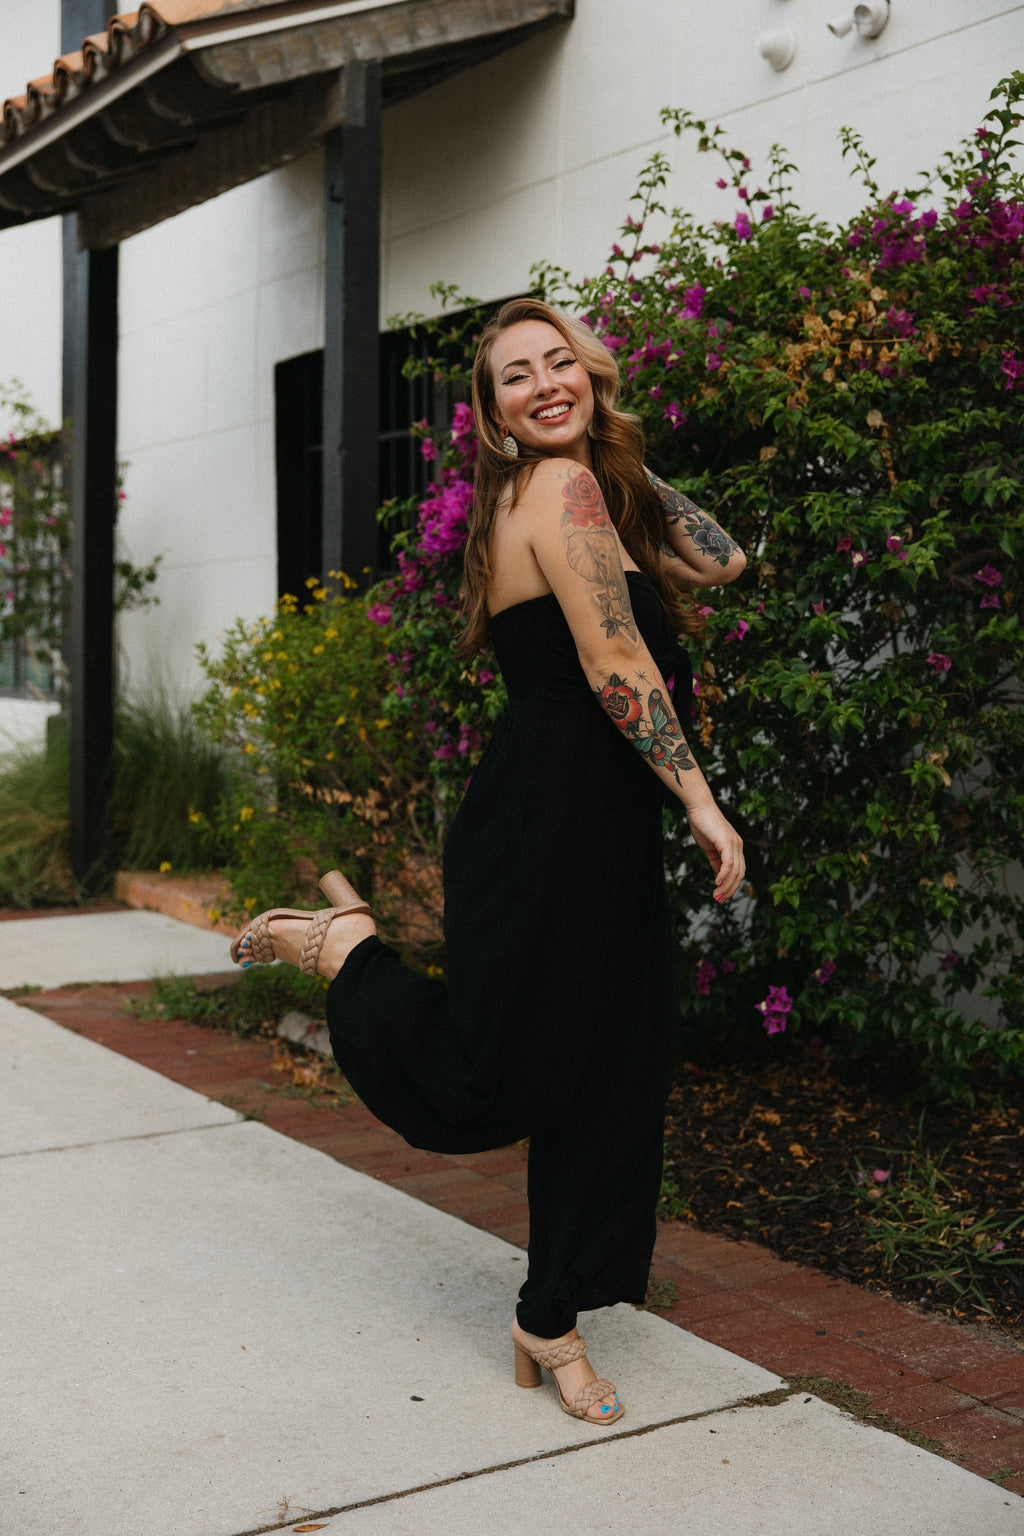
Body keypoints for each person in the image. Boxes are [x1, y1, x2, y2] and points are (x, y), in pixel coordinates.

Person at [231, 297, 746, 1426]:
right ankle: (349, 952)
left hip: (600, 819)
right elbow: (615, 659)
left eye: (562, 363)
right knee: (500, 1078)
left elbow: (721, 559)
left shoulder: (588, 486)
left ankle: (547, 1316)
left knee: (611, 1076)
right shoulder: (554, 491)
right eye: (518, 376)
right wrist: (703, 802)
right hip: (548, 818)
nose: (546, 383)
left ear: (592, 375)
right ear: (492, 413)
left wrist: (613, 442)